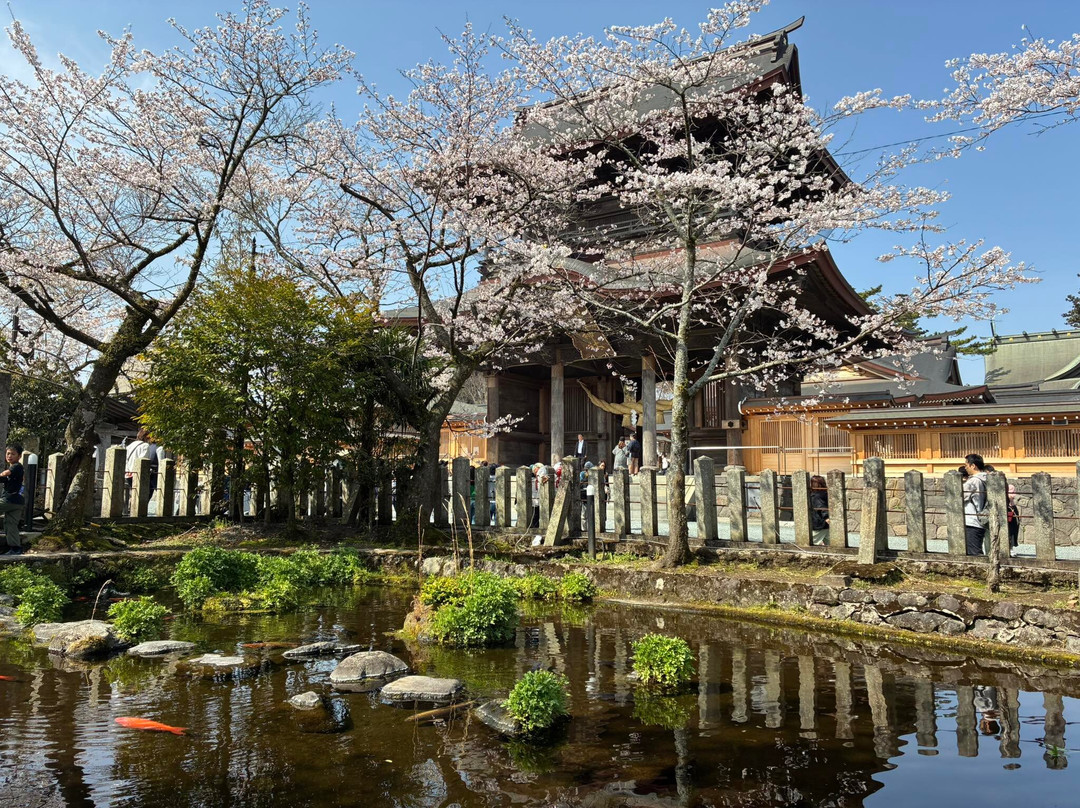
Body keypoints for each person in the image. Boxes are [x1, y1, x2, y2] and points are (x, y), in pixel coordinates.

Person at [0, 443, 24, 555]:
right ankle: (15, 548)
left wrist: (2, 475)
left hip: (10, 500)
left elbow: (5, 473)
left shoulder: (16, 466)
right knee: (10, 524)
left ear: (19, 456)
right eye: (8, 453)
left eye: (13, 454)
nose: (9, 456)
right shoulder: (14, 470)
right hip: (17, 503)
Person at [963, 453, 989, 555]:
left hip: (972, 520)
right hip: (982, 518)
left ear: (973, 465)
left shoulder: (973, 481)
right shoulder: (986, 478)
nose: (965, 468)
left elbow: (960, 497)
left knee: (974, 552)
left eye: (966, 465)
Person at [810, 474, 829, 545]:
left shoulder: (817, 495)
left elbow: (821, 507)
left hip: (819, 522)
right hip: (824, 523)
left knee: (812, 542)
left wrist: (826, 517)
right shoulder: (824, 493)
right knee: (830, 542)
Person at [1006, 484, 1021, 548]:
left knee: (1014, 528)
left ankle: (1012, 546)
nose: (1014, 495)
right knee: (1009, 529)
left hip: (1012, 507)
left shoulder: (1013, 504)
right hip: (1008, 507)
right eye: (1012, 492)